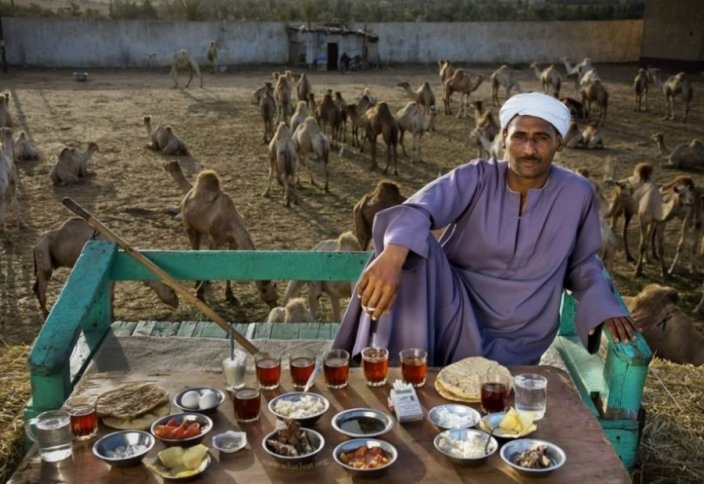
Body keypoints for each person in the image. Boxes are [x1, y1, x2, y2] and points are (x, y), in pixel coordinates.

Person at [333, 92, 639, 367]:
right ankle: (397, 376)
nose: (529, 149)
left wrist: (604, 305)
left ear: (560, 141)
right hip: (457, 311)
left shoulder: (578, 193)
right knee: (409, 249)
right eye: (519, 137)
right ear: (503, 137)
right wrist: (393, 255)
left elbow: (584, 263)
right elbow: (419, 210)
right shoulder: (476, 177)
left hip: (524, 331)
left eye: (541, 138)